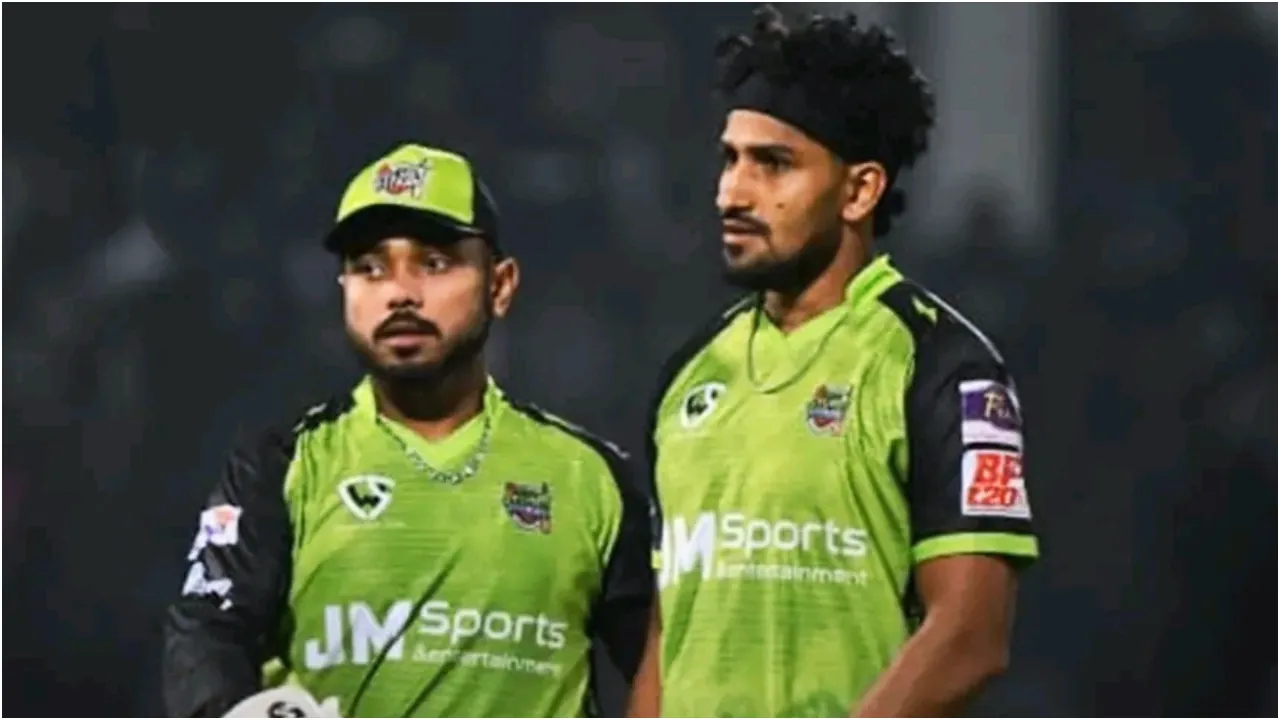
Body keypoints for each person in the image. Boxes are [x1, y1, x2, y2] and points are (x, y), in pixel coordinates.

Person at [628, 7, 1040, 718]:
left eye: (773, 163)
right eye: (730, 159)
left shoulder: (942, 366)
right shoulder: (690, 374)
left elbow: (971, 635)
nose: (731, 192)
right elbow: (669, 633)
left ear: (859, 191)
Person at [162, 143, 653, 718]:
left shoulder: (590, 476)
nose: (399, 292)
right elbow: (206, 634)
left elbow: (671, 661)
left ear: (500, 286)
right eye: (369, 268)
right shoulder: (282, 467)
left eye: (434, 263)